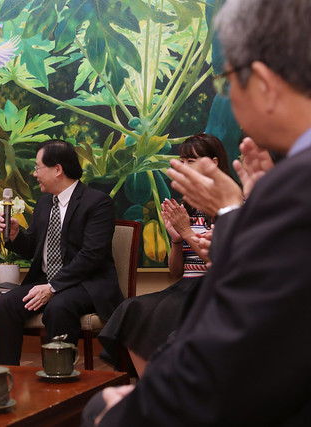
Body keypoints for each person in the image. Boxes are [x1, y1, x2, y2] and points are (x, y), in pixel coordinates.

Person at [83, 0, 311, 424]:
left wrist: (232, 211)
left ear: (263, 82)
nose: (228, 99)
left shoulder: (296, 184)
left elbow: (243, 333)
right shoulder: (289, 181)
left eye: (225, 83)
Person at [98, 133, 232, 377]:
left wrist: (187, 232)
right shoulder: (187, 207)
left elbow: (223, 263)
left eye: (191, 162)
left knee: (166, 319)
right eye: (182, 161)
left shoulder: (229, 206)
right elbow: (176, 271)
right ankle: (149, 387)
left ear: (213, 163)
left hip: (211, 289)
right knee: (131, 310)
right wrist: (176, 240)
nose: (183, 167)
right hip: (184, 286)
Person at [0, 139, 121, 365]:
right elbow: (32, 248)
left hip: (85, 284)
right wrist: (16, 236)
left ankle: (59, 376)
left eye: (38, 167)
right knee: (3, 305)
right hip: (45, 281)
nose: (34, 174)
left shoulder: (97, 203)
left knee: (58, 307)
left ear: (58, 169)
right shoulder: (44, 204)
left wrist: (53, 287)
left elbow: (91, 255)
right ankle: (5, 374)